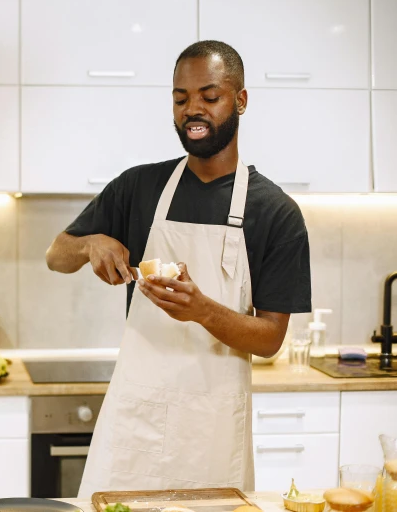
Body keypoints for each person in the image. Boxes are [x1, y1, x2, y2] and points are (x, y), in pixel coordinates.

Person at [45, 40, 312, 495]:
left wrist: (203, 310)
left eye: (210, 97)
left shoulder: (276, 212)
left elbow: (270, 339)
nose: (194, 110)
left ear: (240, 100)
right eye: (181, 98)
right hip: (138, 420)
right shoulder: (139, 186)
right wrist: (91, 243)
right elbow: (56, 255)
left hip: (212, 429)